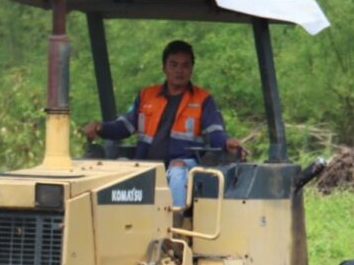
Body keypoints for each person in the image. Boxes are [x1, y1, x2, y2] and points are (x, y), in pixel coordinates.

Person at [82, 40, 244, 209]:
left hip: (186, 163)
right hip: (147, 163)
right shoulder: (147, 96)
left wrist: (227, 142)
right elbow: (124, 126)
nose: (179, 70)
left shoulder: (203, 99)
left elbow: (215, 132)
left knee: (177, 169)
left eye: (185, 65)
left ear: (191, 69)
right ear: (164, 67)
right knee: (121, 164)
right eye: (173, 65)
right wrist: (101, 128)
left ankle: (176, 221)